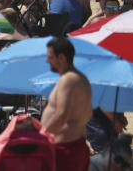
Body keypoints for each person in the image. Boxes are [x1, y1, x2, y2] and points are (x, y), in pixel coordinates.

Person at [40, 36, 93, 171]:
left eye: (50, 57)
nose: (47, 61)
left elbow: (61, 115)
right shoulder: (82, 78)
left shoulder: (68, 80)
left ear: (61, 58)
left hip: (66, 149)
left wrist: (40, 136)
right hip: (75, 147)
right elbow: (88, 113)